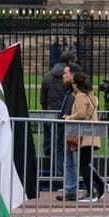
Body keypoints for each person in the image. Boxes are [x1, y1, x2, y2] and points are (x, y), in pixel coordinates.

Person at [63, 70, 109, 202]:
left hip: (86, 134)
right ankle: (100, 185)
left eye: (73, 83)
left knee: (84, 164)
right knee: (86, 163)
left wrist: (69, 117)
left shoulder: (80, 96)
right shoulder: (91, 95)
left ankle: (92, 192)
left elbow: (82, 114)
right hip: (91, 132)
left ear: (76, 84)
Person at [40, 49, 76, 189]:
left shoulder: (48, 77)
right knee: (65, 148)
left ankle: (59, 177)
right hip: (66, 115)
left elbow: (42, 99)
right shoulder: (69, 78)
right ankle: (64, 179)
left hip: (50, 114)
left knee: (55, 147)